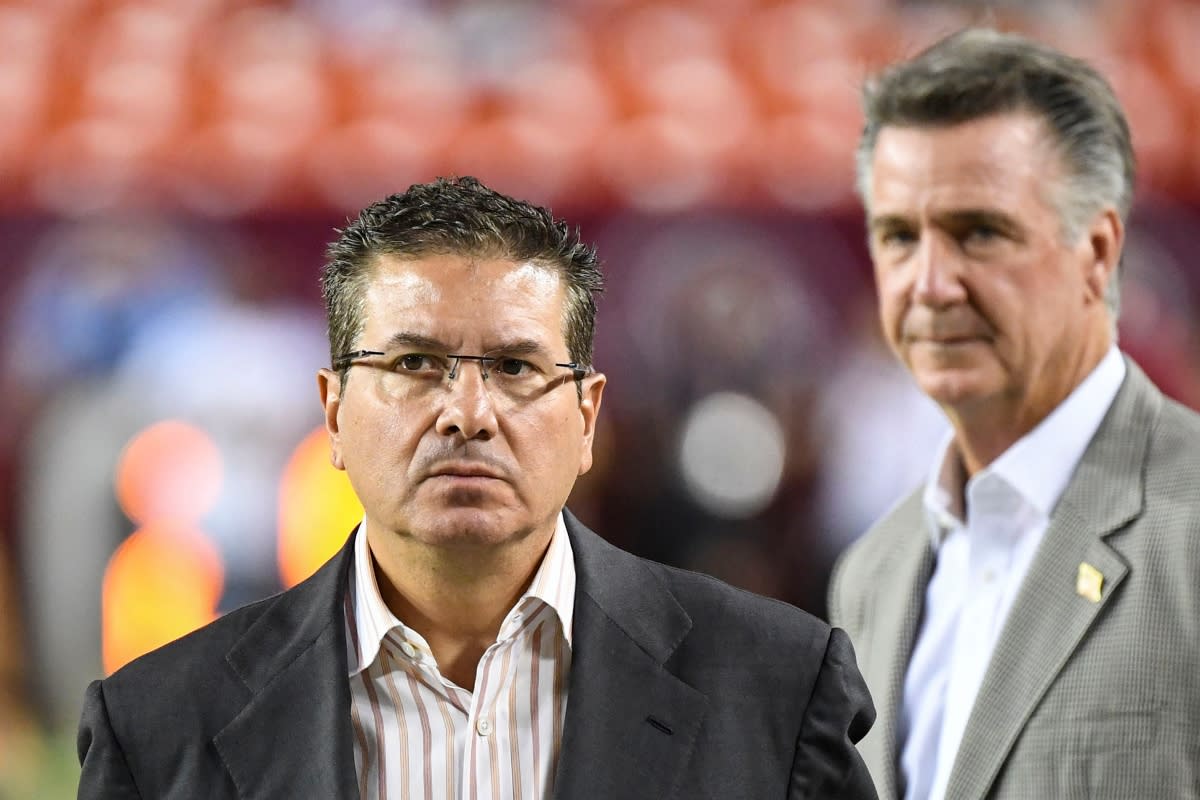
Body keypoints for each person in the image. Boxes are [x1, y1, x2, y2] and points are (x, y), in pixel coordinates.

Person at [78, 176, 878, 799]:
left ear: (589, 416)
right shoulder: (157, 724)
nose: (466, 414)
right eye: (413, 364)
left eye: (516, 367)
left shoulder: (780, 688)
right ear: (333, 413)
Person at [828, 27, 1200, 800]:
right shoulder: (873, 574)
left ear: (1096, 252)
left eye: (979, 232)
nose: (929, 283)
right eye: (898, 236)